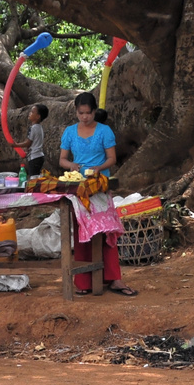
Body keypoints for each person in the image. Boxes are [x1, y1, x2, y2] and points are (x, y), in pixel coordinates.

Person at [59, 92, 136, 296]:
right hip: (78, 187)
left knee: (106, 231)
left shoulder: (104, 131)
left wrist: (98, 168)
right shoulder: (69, 132)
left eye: (88, 113)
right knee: (83, 232)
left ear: (94, 112)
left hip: (100, 185)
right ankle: (84, 282)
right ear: (76, 112)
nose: (84, 117)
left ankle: (113, 279)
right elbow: (62, 160)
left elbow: (112, 158)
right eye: (80, 113)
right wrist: (73, 166)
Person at [23, 104, 48, 178]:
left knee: (33, 177)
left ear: (38, 116)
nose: (30, 113)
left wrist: (15, 145)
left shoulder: (33, 128)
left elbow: (28, 142)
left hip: (35, 157)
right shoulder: (39, 127)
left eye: (32, 112)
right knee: (36, 175)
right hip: (39, 156)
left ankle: (34, 189)